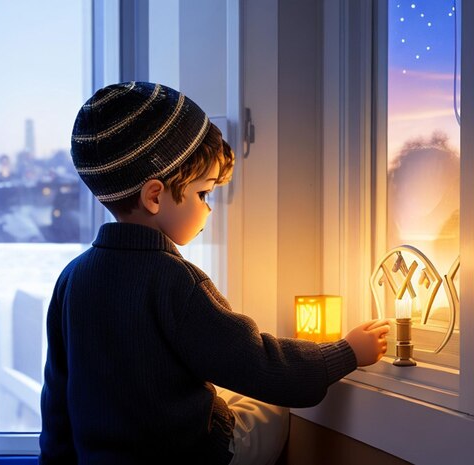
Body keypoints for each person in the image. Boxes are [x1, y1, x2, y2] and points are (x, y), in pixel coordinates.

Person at [39, 81, 390, 465]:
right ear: (155, 196)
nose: (209, 209)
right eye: (203, 193)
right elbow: (261, 363)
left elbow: (57, 397)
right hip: (197, 457)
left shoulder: (72, 278)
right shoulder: (177, 282)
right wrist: (347, 352)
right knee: (268, 406)